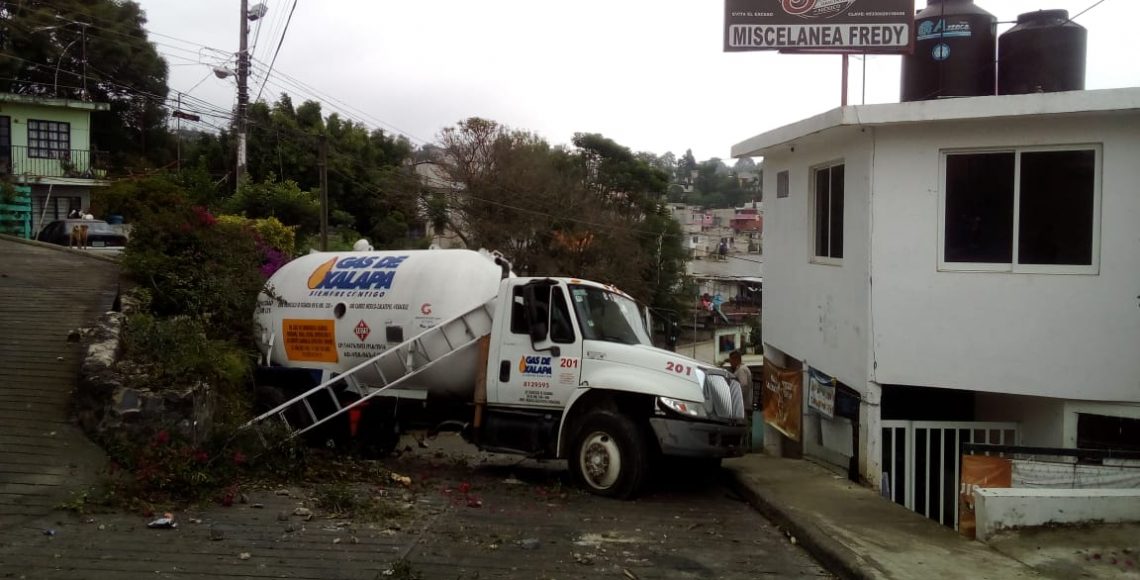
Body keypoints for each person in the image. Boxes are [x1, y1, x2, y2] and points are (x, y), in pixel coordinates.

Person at [727, 350, 754, 450]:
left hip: (742, 404)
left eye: (731, 360)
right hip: (744, 404)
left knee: (741, 426)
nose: (730, 363)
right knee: (743, 426)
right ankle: (743, 445)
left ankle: (743, 446)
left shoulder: (741, 370)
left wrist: (737, 399)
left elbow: (744, 386)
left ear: (736, 359)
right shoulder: (742, 369)